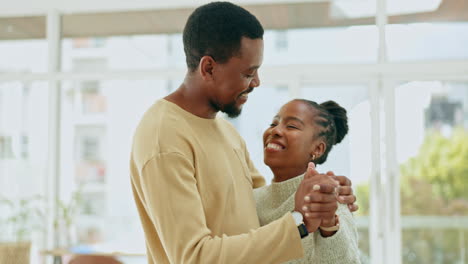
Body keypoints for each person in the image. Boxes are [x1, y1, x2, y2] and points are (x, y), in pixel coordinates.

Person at [130, 2, 357, 263]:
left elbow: (266, 210)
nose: (256, 82)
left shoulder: (227, 132)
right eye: (248, 73)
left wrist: (324, 196)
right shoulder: (164, 137)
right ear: (208, 68)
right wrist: (300, 221)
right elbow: (193, 256)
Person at [254, 99, 361, 263]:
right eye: (273, 123)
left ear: (317, 149)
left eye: (291, 126)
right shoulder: (252, 199)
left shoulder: (326, 199)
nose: (275, 130)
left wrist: (329, 227)